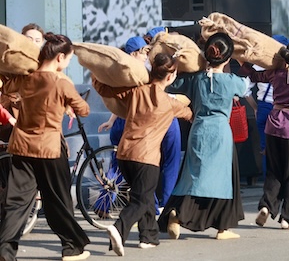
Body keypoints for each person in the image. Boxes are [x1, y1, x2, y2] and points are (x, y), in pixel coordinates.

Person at [0, 33, 91, 261]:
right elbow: (84, 110)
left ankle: (5, 251)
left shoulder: (26, 78)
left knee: (16, 202)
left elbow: (7, 89)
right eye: (68, 59)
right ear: (60, 57)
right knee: (58, 200)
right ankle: (71, 247)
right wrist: (66, 102)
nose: (67, 63)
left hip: (21, 147)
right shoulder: (61, 82)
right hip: (50, 148)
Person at [93, 53, 193, 256]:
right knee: (141, 199)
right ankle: (119, 228)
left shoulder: (135, 92)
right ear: (170, 77)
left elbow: (105, 89)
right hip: (146, 158)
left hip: (123, 154)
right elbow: (188, 113)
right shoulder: (169, 103)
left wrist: (95, 72)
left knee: (144, 196)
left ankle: (148, 237)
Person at [158, 33, 248, 240]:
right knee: (224, 180)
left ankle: (178, 212)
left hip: (198, 129)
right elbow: (245, 88)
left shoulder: (195, 79)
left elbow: (174, 85)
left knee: (192, 177)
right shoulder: (231, 81)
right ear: (227, 58)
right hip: (221, 133)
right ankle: (223, 228)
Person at [241, 37, 289, 229]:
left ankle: (267, 205)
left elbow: (254, 76)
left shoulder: (276, 74)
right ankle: (288, 218)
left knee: (274, 170)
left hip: (274, 124)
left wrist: (242, 63)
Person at [97, 36, 182, 213]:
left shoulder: (119, 71)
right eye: (144, 52)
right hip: (149, 121)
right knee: (154, 165)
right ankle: (162, 207)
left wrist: (112, 120)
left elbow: (121, 99)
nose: (147, 55)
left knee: (118, 165)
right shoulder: (141, 73)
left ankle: (104, 203)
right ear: (135, 53)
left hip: (124, 120)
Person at [245, 35, 289, 178]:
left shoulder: (258, 65)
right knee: (286, 147)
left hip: (264, 108)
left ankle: (269, 181)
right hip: (284, 109)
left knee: (266, 149)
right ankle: (285, 180)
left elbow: (244, 89)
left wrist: (254, 107)